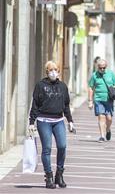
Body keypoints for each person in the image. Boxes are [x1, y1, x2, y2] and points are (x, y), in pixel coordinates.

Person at [28, 61, 76, 189]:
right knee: (47, 148)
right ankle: (48, 177)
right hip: (44, 121)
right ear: (46, 72)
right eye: (50, 70)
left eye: (55, 69)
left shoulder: (63, 86)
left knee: (62, 146)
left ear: (59, 71)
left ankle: (59, 174)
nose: (53, 72)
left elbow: (66, 105)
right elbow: (35, 105)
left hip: (58, 120)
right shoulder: (40, 85)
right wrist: (31, 122)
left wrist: (70, 121)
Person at [88, 59, 115, 143]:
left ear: (106, 67)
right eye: (100, 68)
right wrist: (90, 101)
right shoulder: (94, 75)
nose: (102, 69)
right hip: (98, 99)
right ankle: (102, 136)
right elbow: (91, 87)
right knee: (101, 117)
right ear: (97, 67)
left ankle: (108, 129)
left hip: (109, 99)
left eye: (104, 68)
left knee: (109, 119)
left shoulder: (111, 74)